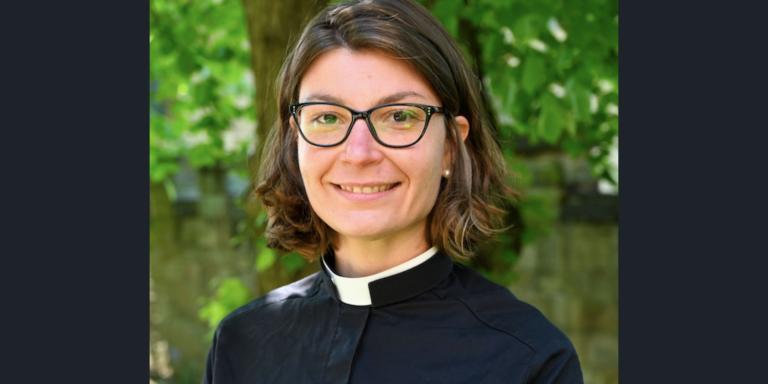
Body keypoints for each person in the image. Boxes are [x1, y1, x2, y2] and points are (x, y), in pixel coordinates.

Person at [203, 0, 583, 383]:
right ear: (294, 140)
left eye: (400, 116)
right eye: (328, 118)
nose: (360, 153)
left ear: (451, 146)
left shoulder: (529, 361)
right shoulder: (241, 345)